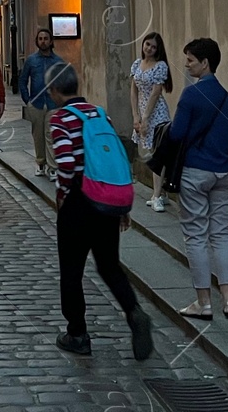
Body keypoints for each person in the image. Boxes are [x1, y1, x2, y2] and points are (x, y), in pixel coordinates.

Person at [47, 63, 154, 360]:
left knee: (71, 271)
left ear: (55, 91)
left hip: (78, 202)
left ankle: (78, 333)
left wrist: (62, 197)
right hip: (106, 197)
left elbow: (67, 165)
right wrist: (120, 205)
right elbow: (115, 159)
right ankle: (134, 312)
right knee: (109, 265)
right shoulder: (99, 112)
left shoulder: (60, 119)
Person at [168, 37, 228, 320]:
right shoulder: (227, 96)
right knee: (222, 234)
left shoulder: (190, 95)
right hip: (227, 171)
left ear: (205, 63)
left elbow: (176, 135)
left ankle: (203, 302)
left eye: (190, 60)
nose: (186, 65)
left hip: (196, 171)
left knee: (196, 235)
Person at [131, 32, 174, 212]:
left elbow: (156, 93)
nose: (149, 48)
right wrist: (135, 116)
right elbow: (133, 91)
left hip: (156, 112)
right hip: (141, 109)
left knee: (158, 153)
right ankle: (161, 193)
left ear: (158, 50)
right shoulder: (136, 64)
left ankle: (156, 195)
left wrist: (146, 117)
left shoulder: (160, 66)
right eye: (147, 44)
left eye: (153, 46)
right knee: (150, 152)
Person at [18, 28, 67, 178]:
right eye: (40, 39)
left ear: (51, 41)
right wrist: (28, 100)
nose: (43, 41)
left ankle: (52, 167)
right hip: (37, 103)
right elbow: (22, 80)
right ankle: (40, 163)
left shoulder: (58, 61)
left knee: (51, 134)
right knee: (38, 135)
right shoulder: (31, 61)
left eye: (46, 38)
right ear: (37, 41)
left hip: (53, 104)